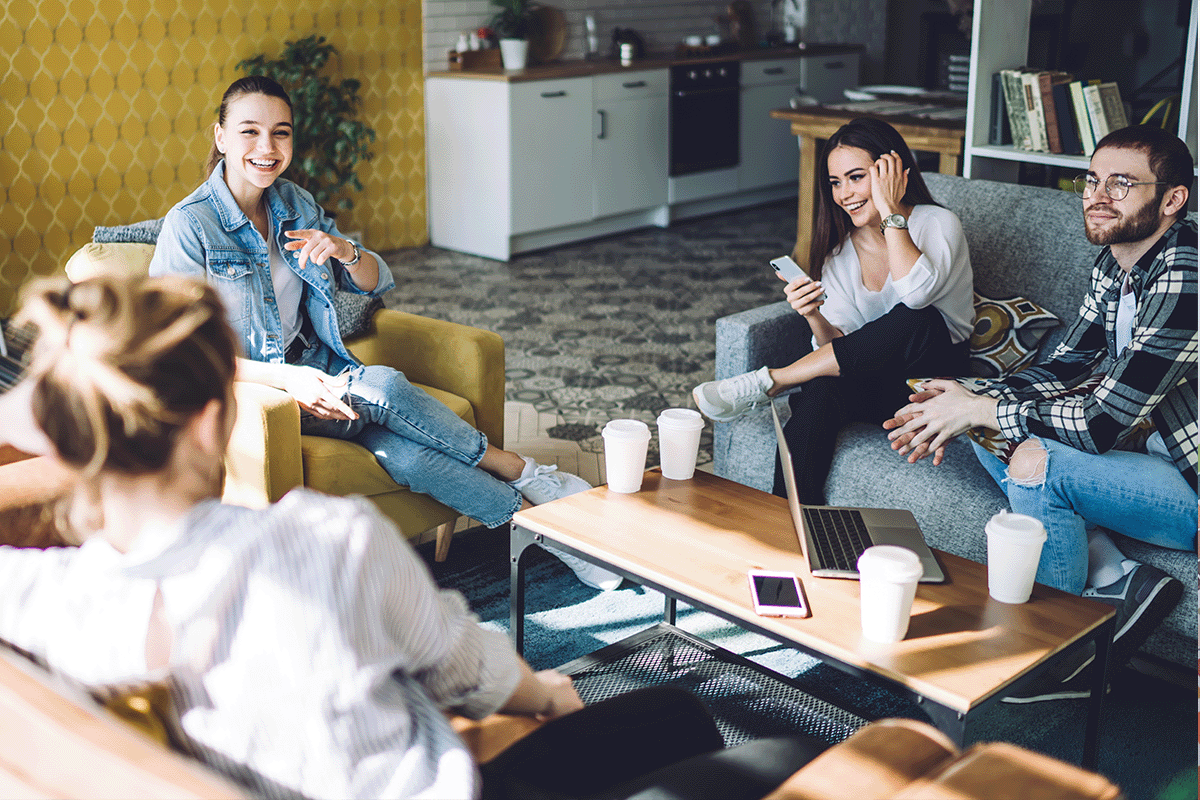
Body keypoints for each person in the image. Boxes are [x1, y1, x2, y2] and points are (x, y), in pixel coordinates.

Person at [0, 274, 828, 800]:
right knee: (753, 743)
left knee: (670, 718)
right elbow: (470, 670)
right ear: (214, 419)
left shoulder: (50, 600)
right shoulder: (319, 544)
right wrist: (549, 697)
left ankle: (528, 499)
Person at [148, 76, 618, 590]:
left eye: (280, 133)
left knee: (410, 457)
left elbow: (377, 280)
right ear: (220, 137)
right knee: (388, 387)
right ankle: (525, 471)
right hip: (253, 390)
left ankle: (543, 532)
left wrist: (345, 251)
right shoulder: (190, 227)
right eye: (249, 132)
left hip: (315, 366)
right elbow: (177, 353)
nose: (267, 148)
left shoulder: (294, 204)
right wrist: (287, 382)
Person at [884, 124, 1195, 700]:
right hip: (1148, 457)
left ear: (1171, 199)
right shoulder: (1116, 261)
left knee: (1034, 460)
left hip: (1191, 483)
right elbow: (1069, 363)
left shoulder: (1187, 274)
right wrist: (967, 394)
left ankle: (1061, 655)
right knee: (985, 420)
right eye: (1092, 180)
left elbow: (1102, 421)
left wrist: (982, 408)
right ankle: (1117, 577)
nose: (1097, 196)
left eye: (1121, 183)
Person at [692, 117, 974, 504]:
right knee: (821, 388)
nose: (844, 194)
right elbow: (841, 348)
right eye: (835, 182)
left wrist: (891, 208)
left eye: (856, 177)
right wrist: (813, 316)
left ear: (892, 172)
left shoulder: (938, 224)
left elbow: (916, 294)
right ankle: (789, 524)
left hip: (938, 382)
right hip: (884, 385)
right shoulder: (840, 253)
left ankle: (775, 380)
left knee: (919, 319)